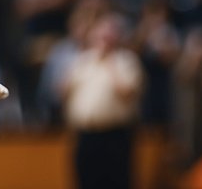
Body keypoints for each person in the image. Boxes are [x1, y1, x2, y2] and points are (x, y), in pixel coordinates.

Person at [61, 11, 144, 189]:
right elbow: (64, 92)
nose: (104, 36)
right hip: (85, 135)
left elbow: (127, 93)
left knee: (117, 182)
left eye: (109, 31)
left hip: (115, 135)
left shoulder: (127, 60)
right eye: (100, 31)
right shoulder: (82, 60)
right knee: (86, 181)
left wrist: (109, 62)